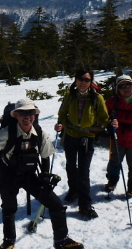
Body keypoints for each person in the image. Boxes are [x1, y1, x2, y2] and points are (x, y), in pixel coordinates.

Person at [0, 98, 84, 249]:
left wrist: (45, 174)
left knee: (56, 204)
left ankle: (61, 240)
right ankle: (8, 241)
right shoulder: (8, 133)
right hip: (9, 175)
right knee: (9, 208)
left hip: (29, 176)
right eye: (23, 113)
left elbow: (45, 154)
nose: (27, 116)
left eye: (31, 113)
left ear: (35, 115)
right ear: (16, 115)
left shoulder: (39, 132)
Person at [54, 69, 109, 220]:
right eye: (80, 79)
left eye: (86, 80)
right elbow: (62, 113)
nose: (83, 82)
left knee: (83, 170)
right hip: (71, 135)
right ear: (75, 80)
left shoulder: (97, 98)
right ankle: (73, 191)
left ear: (91, 82)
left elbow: (104, 117)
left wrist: (110, 124)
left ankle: (85, 204)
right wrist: (60, 124)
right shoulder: (70, 95)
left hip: (87, 137)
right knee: (71, 166)